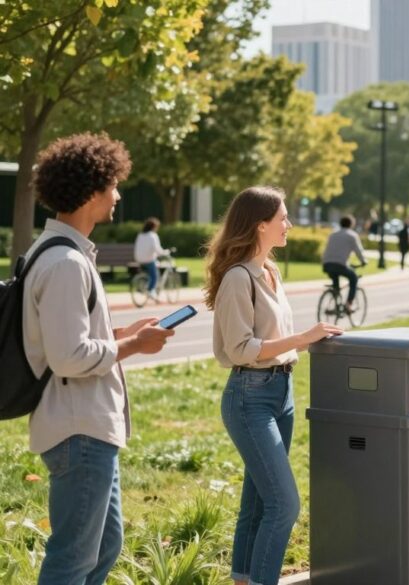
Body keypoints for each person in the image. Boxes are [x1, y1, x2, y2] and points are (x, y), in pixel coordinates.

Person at [25, 133, 174, 584]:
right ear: (91, 191)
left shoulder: (60, 254)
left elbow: (66, 338)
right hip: (79, 430)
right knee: (72, 559)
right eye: (112, 184)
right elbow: (70, 357)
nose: (118, 194)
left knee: (105, 547)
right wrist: (135, 345)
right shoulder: (67, 263)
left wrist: (118, 334)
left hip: (85, 427)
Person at [204, 186, 343, 585]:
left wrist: (306, 343)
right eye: (283, 217)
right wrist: (304, 337)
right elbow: (242, 348)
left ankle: (244, 579)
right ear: (260, 224)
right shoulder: (237, 278)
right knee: (284, 505)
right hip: (250, 397)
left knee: (259, 503)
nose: (289, 224)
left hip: (281, 394)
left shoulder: (270, 271)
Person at [322, 215, 367, 312]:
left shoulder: (333, 234)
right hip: (340, 265)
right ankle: (348, 304)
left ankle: (336, 303)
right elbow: (358, 251)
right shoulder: (352, 236)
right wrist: (363, 261)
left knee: (336, 283)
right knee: (354, 278)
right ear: (351, 224)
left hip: (327, 264)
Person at [133, 217, 170, 301]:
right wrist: (165, 252)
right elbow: (157, 249)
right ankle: (151, 290)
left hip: (138, 259)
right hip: (148, 260)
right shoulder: (153, 235)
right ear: (154, 227)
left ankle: (143, 285)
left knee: (150, 270)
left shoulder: (140, 235)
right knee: (155, 275)